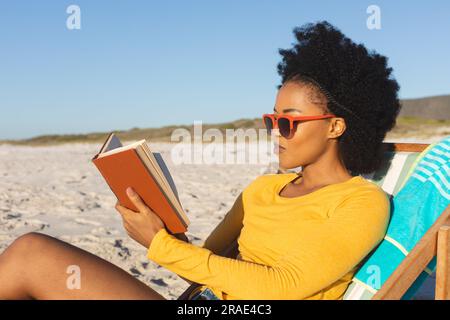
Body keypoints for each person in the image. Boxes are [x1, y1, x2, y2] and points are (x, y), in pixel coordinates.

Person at [0, 20, 400, 300]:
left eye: (289, 122)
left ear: (336, 127)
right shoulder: (263, 189)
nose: (275, 131)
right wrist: (160, 227)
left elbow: (284, 286)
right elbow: (202, 262)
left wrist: (159, 245)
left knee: (30, 255)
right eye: (271, 120)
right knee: (30, 253)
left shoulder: (361, 202)